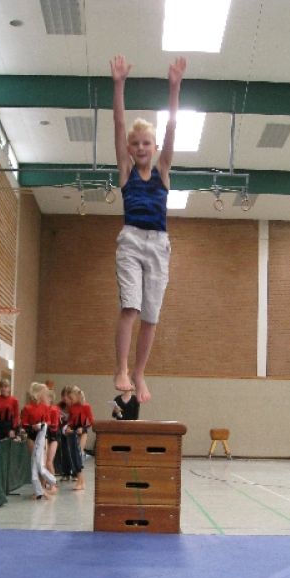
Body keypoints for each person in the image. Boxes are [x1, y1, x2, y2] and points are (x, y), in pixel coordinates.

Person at [111, 53, 186, 403]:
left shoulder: (163, 169)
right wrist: (119, 85)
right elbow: (118, 124)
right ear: (129, 148)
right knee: (131, 307)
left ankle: (140, 372)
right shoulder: (126, 171)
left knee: (151, 316)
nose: (141, 147)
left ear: (154, 148)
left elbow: (172, 130)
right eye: (136, 143)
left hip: (158, 244)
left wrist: (174, 89)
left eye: (146, 143)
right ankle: (123, 368)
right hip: (131, 241)